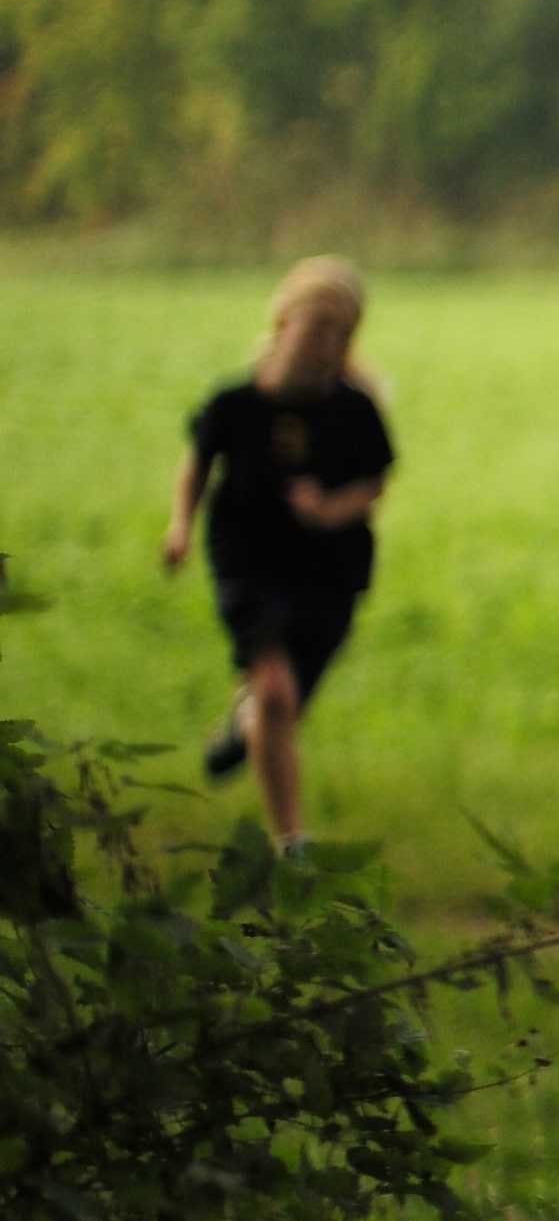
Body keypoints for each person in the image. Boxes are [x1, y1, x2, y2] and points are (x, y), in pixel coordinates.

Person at [160, 256, 398, 856]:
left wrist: (329, 509)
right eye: (317, 325)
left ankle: (247, 729)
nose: (326, 342)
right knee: (275, 694)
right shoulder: (234, 404)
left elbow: (374, 483)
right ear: (284, 319)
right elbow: (197, 465)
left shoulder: (354, 410)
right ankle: (290, 840)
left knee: (283, 704)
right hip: (250, 565)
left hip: (330, 573)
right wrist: (180, 527)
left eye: (340, 332)